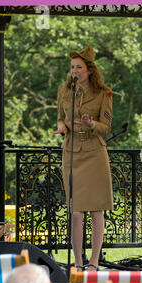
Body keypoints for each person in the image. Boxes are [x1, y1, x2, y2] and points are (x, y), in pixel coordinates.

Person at [52, 45, 113, 271]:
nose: (74, 71)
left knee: (96, 210)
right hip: (71, 153)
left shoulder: (103, 93)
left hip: (94, 153)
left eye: (79, 67)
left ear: (89, 70)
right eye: (72, 68)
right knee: (76, 211)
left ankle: (94, 262)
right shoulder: (64, 92)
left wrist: (91, 124)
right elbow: (60, 118)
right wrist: (61, 128)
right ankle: (77, 263)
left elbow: (106, 128)